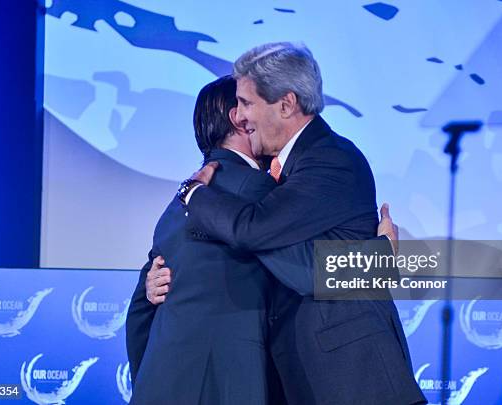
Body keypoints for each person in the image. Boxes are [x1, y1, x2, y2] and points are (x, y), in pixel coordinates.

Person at [176, 42, 427, 405]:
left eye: (246, 103)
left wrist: (193, 194)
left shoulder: (330, 160)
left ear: (286, 104)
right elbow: (301, 262)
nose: (240, 117)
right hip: (303, 378)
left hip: (356, 381)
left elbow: (254, 231)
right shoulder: (280, 169)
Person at [126, 76, 282, 404]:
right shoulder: (258, 193)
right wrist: (380, 262)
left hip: (160, 383)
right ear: (239, 118)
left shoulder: (179, 202)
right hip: (225, 386)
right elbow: (306, 268)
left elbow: (140, 312)